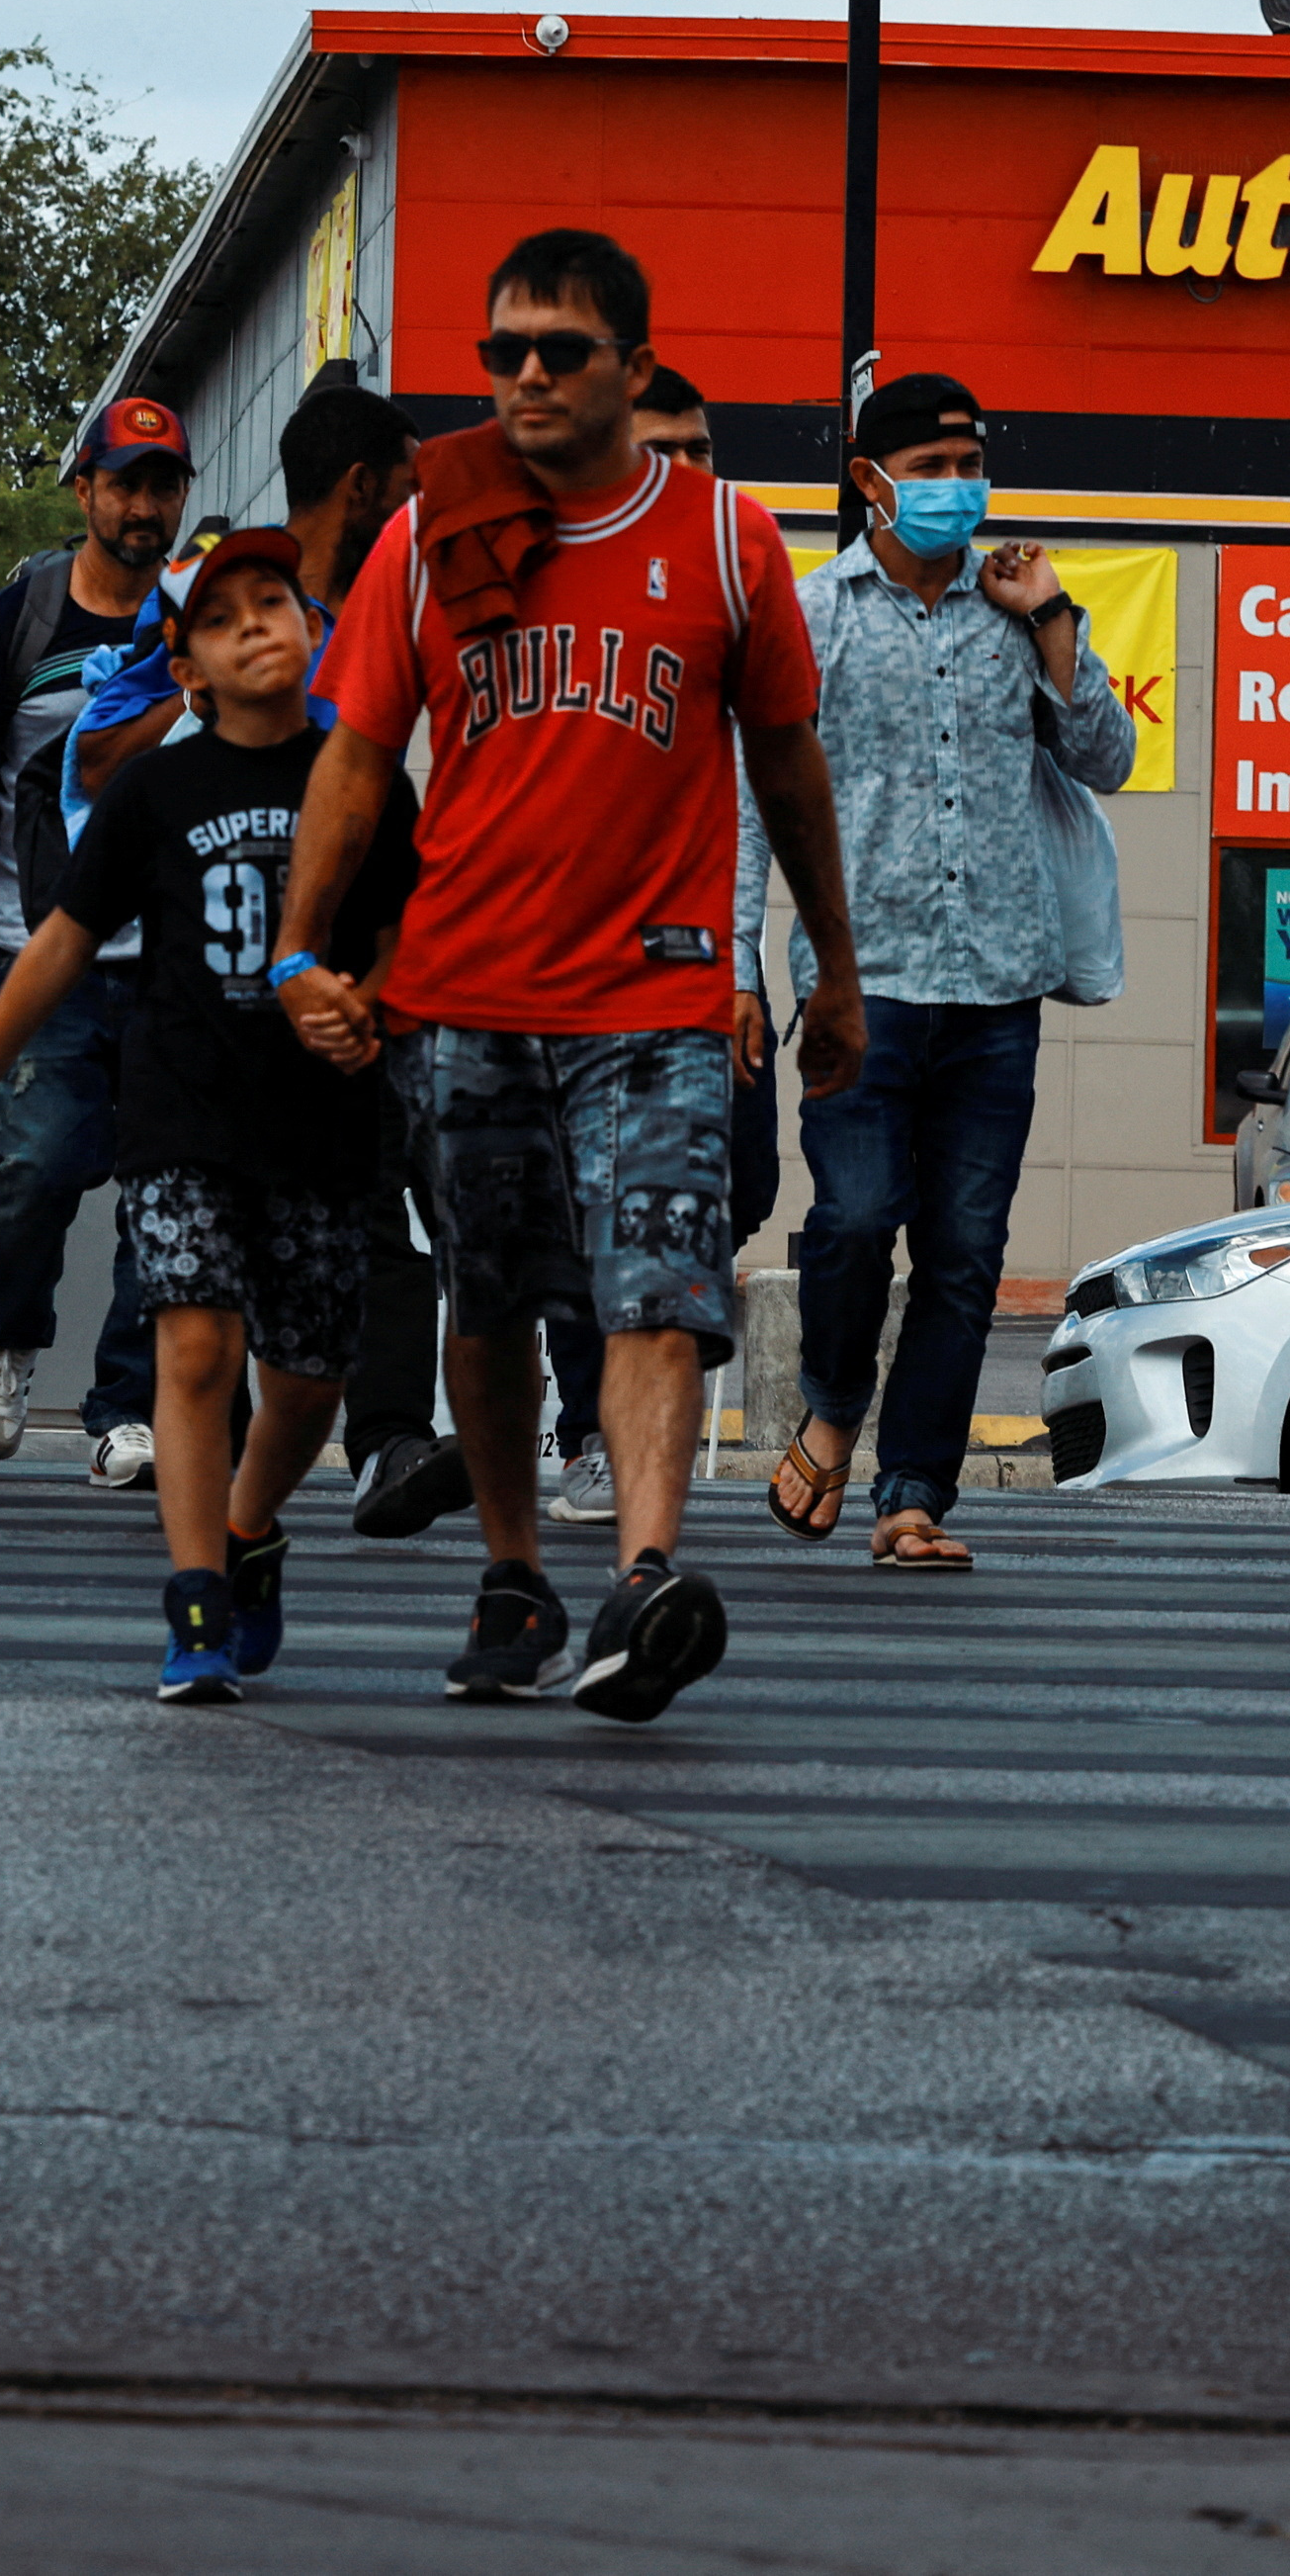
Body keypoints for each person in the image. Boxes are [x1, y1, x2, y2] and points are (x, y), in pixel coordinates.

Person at [278, 231, 865, 1725]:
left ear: (637, 367)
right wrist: (299, 946)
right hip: (467, 989)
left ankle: (647, 1574)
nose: (526, 375)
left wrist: (832, 969)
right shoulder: (429, 536)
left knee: (652, 1296)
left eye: (560, 350)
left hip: (657, 995)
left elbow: (790, 773)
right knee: (485, 1304)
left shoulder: (730, 543)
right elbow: (352, 761)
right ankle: (519, 1568)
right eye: (503, 352)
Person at [0, 530, 418, 1699]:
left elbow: (404, 927)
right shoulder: (152, 788)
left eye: (275, 600)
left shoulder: (363, 775)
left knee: (307, 1376)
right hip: (183, 1112)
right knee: (193, 1350)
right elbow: (55, 946)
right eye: (224, 613)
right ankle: (195, 1598)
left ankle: (247, 1527)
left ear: (311, 627)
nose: (257, 623)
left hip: (324, 1121)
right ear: (183, 665)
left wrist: (369, 1001)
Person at [755, 370, 1134, 1571]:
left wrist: (1057, 617)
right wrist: (737, 961)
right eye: (930, 469)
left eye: (971, 465)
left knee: (965, 1252)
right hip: (856, 987)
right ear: (869, 481)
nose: (958, 489)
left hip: (995, 988)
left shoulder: (1015, 610)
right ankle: (829, 1398)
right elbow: (750, 802)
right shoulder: (812, 616)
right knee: (857, 1219)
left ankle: (912, 1493)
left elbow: (1108, 757)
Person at [0, 395, 196, 1484]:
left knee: (162, 1182)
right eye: (123, 482)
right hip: (41, 944)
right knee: (33, 1165)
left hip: (174, 955)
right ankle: (9, 1335)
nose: (143, 504)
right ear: (83, 489)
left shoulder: (201, 611)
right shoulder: (22, 615)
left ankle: (123, 1403)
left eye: (161, 483)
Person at [559, 360, 775, 1531]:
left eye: (702, 449)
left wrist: (748, 966)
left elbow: (765, 792)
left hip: (694, 972)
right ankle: (589, 1432)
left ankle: (645, 1443)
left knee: (729, 1190)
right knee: (579, 1220)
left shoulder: (735, 585)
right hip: (558, 974)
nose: (689, 472)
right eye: (664, 448)